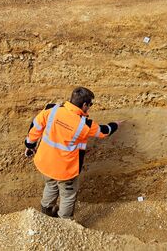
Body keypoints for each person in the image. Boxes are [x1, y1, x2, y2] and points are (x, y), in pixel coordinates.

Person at [24, 87, 124, 219]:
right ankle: (64, 224)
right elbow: (103, 131)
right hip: (65, 170)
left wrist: (29, 145)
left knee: (50, 185)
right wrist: (116, 124)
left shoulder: (51, 109)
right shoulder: (84, 124)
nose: (89, 108)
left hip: (45, 162)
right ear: (84, 105)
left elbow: (35, 127)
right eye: (90, 105)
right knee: (67, 195)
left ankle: (46, 216)